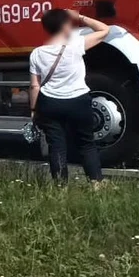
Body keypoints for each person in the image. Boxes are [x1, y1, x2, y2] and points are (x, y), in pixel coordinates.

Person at [29, 9, 110, 185]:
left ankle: (60, 189)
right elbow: (104, 30)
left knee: (56, 146)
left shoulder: (36, 53)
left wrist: (34, 110)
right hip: (78, 101)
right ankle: (96, 183)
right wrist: (79, 17)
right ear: (65, 27)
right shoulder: (76, 45)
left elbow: (35, 85)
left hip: (49, 103)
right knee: (86, 144)